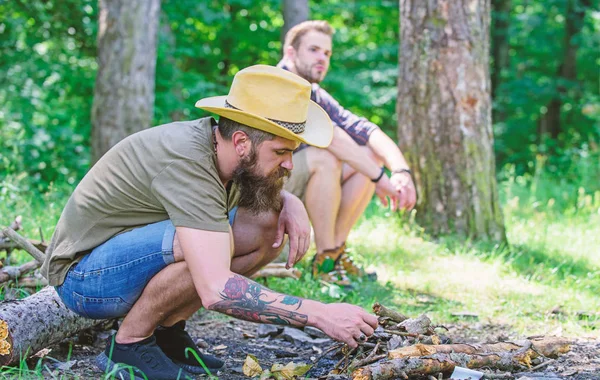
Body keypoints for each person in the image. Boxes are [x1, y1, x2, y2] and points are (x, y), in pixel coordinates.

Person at [41, 65, 379, 380]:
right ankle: (128, 345)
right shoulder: (187, 160)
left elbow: (257, 200)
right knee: (207, 244)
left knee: (262, 224)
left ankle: (166, 331)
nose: (289, 164)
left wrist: (288, 201)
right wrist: (320, 314)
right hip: (84, 278)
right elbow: (217, 288)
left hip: (121, 258)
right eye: (280, 152)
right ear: (242, 142)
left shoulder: (225, 152)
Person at [277, 20, 418, 286]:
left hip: (291, 184)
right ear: (291, 53)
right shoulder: (280, 84)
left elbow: (365, 130)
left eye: (327, 53)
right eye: (314, 50)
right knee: (328, 157)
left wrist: (400, 171)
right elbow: (332, 138)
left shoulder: (315, 93)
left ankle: (334, 255)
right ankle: (325, 262)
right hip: (259, 190)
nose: (322, 58)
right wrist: (380, 179)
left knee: (369, 155)